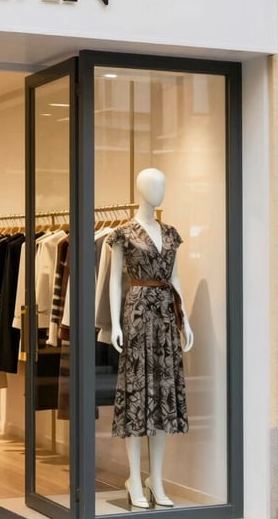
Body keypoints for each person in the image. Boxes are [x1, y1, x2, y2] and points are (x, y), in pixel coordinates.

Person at [107, 168, 194, 509]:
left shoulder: (171, 234)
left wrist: (184, 320)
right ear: (141, 190)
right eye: (153, 186)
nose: (160, 191)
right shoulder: (123, 234)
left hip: (165, 317)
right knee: (137, 396)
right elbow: (115, 281)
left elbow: (175, 278)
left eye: (163, 185)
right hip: (138, 315)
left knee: (160, 399)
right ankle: (133, 477)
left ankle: (155, 479)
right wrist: (114, 323)